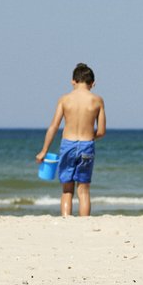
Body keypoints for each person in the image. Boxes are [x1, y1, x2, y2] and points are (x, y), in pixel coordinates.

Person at [36, 62, 107, 217]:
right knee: (84, 190)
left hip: (68, 144)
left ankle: (66, 220)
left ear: (73, 81)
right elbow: (101, 132)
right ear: (93, 84)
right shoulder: (97, 100)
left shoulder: (64, 99)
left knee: (67, 189)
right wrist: (89, 136)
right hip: (87, 145)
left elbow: (53, 127)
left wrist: (44, 151)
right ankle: (84, 223)